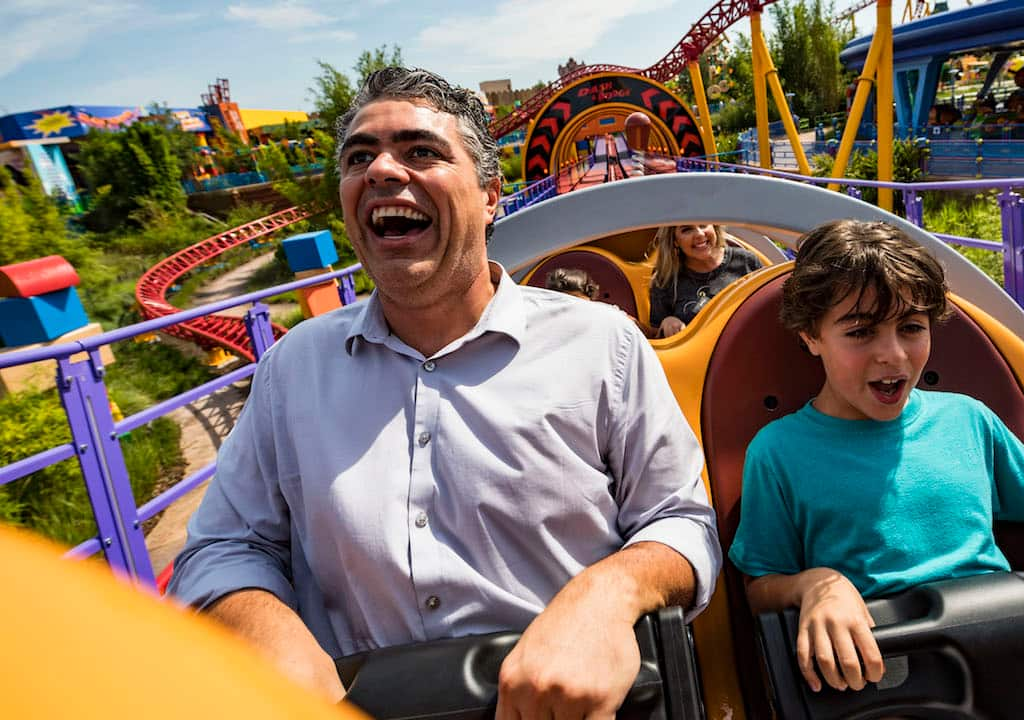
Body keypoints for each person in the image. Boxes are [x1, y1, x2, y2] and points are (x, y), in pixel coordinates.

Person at [168, 67, 720, 718]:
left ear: (491, 195)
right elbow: (222, 545)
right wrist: (268, 632)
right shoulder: (292, 368)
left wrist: (610, 593)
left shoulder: (603, 345)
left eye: (421, 151)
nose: (381, 170)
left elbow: (681, 523)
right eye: (358, 157)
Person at [729, 219, 1024, 719]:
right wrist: (817, 584)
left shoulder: (968, 419)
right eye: (860, 331)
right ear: (811, 336)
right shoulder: (779, 451)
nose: (892, 354)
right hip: (892, 694)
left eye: (912, 328)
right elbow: (760, 588)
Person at [648, 224, 762, 338]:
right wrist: (667, 321)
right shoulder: (665, 279)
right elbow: (654, 335)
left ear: (714, 226)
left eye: (703, 225)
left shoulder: (746, 261)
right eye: (687, 230)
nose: (699, 233)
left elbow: (766, 309)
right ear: (675, 241)